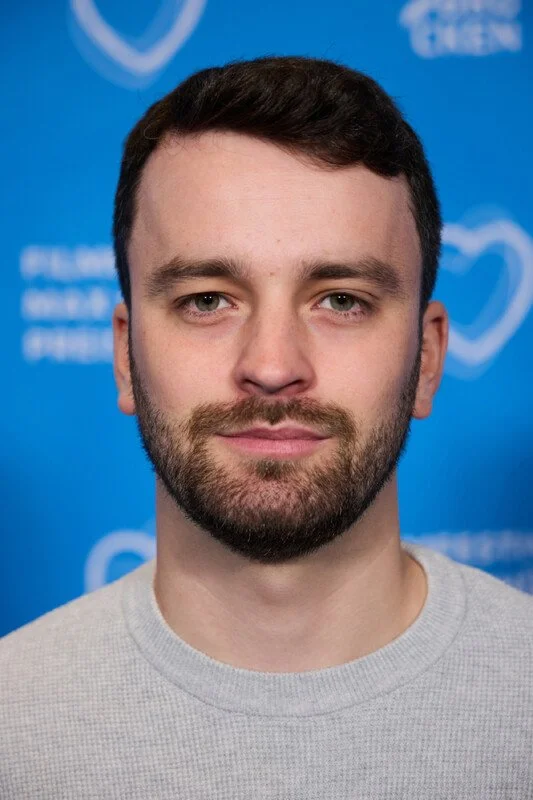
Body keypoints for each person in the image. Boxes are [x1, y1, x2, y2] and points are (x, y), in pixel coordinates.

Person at [1, 55, 532, 799]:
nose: (273, 366)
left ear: (429, 359)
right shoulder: (11, 729)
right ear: (124, 355)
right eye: (208, 300)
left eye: (341, 300)